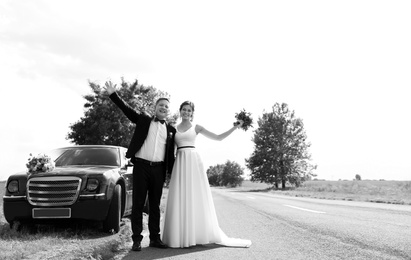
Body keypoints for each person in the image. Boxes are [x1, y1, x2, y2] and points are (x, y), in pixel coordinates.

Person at [162, 101, 252, 248]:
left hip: (193, 162)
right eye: (184, 110)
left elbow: (218, 137)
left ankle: (196, 234)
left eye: (189, 110)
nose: (186, 112)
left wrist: (235, 127)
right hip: (180, 163)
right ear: (180, 111)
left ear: (192, 113)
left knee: (196, 197)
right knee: (180, 197)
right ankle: (180, 235)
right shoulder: (172, 128)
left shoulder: (197, 127)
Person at [104, 81, 176, 251]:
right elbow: (127, 110)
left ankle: (155, 239)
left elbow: (172, 154)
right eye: (161, 105)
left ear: (168, 110)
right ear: (155, 107)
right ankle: (136, 239)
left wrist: (171, 173)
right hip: (141, 167)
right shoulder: (144, 119)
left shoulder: (171, 130)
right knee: (137, 204)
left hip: (159, 169)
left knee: (155, 206)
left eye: (166, 106)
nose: (163, 108)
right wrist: (114, 95)